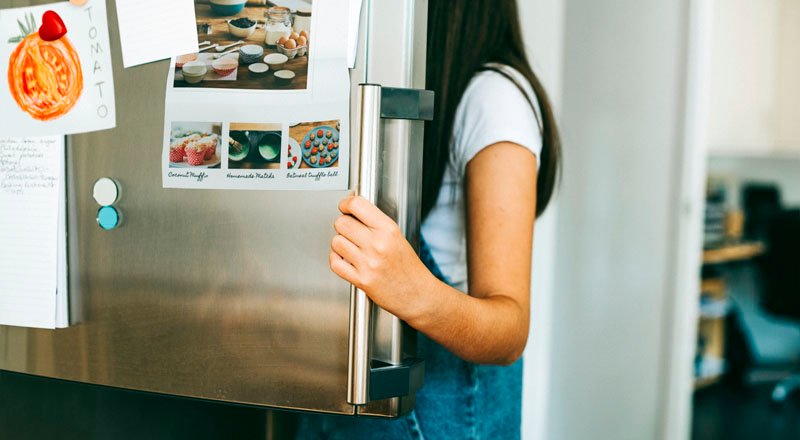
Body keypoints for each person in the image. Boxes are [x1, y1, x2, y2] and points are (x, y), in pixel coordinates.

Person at [298, 0, 560, 437]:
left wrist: (410, 289)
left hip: (437, 418)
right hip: (337, 400)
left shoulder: (495, 97)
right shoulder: (392, 80)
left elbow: (510, 329)